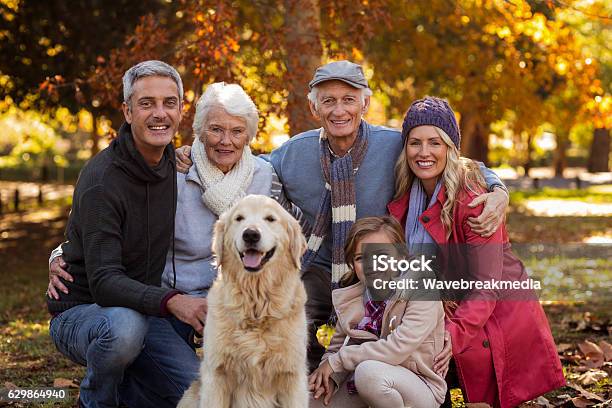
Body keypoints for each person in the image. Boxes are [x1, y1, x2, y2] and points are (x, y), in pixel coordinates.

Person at [175, 60, 510, 372]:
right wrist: (196, 152)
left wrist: (497, 190)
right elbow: (246, 161)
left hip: (380, 266)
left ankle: (405, 383)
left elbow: (452, 159)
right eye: (328, 101)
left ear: (364, 104)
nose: (339, 110)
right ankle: (308, 384)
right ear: (314, 107)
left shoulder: (394, 145)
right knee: (287, 315)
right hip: (318, 267)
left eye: (349, 100)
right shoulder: (293, 153)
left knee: (403, 327)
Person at [48, 82, 307, 391]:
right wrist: (61, 253)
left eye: (237, 131)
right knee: (195, 391)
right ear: (198, 131)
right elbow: (115, 225)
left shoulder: (267, 177)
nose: (226, 141)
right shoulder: (171, 173)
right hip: (171, 307)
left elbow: (291, 235)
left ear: (250, 135)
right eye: (215, 130)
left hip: (240, 310)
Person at [388, 96, 565, 407]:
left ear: (451, 148)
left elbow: (486, 286)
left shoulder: (474, 202)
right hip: (439, 311)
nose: (424, 152)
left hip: (491, 320)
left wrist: (450, 336)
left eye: (435, 142)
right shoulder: (407, 195)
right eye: (415, 143)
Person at [45, 60, 200, 408]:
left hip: (143, 309)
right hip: (86, 312)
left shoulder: (171, 163)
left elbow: (237, 155)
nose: (159, 113)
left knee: (199, 396)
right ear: (128, 112)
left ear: (180, 110)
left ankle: (131, 388)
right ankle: (96, 401)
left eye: (169, 102)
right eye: (147, 104)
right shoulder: (104, 180)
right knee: (124, 330)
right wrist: (175, 301)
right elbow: (104, 281)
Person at [309, 216, 446, 408]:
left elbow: (397, 348)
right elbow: (335, 349)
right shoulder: (353, 297)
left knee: (369, 374)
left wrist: (336, 362)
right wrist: (330, 378)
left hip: (418, 385)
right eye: (360, 258)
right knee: (311, 401)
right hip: (363, 378)